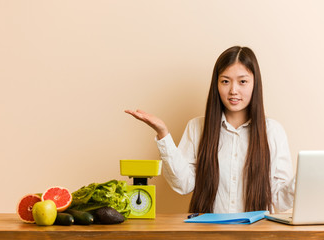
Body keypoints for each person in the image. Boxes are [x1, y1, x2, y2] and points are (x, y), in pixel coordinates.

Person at [125, 46, 294, 214]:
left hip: (257, 235)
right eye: (225, 81)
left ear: (255, 83)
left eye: (242, 81)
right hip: (208, 233)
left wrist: (307, 180)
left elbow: (280, 200)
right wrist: (163, 134)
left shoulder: (273, 131)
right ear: (216, 84)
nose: (233, 90)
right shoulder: (197, 127)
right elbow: (183, 184)